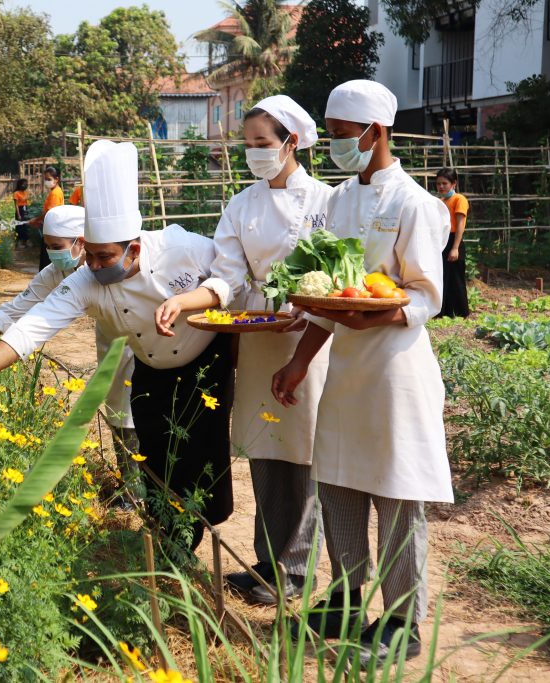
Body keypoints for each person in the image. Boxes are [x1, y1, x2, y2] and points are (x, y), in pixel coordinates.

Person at [0, 140, 235, 551]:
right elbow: (33, 325)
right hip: (150, 364)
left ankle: (190, 537)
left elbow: (229, 275)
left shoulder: (181, 248)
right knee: (153, 452)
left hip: (204, 361)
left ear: (134, 249)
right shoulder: (84, 280)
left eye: (104, 257)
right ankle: (167, 540)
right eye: (92, 257)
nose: (94, 267)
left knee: (200, 459)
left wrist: (196, 301)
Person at [271, 80, 452, 666]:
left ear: (376, 132)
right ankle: (349, 599)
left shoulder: (416, 205)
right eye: (329, 134)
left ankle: (403, 621)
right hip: (346, 367)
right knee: (341, 485)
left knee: (397, 494)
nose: (332, 146)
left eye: (342, 134)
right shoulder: (339, 201)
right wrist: (300, 361)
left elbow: (427, 297)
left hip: (396, 370)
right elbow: (330, 292)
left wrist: (377, 311)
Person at [154, 95, 331, 605]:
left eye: (262, 143)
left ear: (290, 143)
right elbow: (226, 279)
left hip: (309, 337)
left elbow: (339, 278)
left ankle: (295, 571)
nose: (253, 152)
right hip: (255, 337)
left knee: (303, 451)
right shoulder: (242, 204)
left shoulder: (326, 201)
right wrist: (186, 301)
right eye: (248, 143)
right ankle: (267, 563)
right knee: (262, 446)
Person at [0, 204, 136, 463]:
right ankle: (132, 482)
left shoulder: (111, 265)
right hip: (110, 332)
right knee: (118, 402)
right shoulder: (56, 272)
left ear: (81, 242)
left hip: (142, 324)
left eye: (57, 246)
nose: (51, 253)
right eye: (47, 246)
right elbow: (15, 312)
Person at [435, 168, 470, 318]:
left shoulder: (459, 199)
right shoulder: (441, 201)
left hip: (454, 240)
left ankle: (462, 312)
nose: (441, 186)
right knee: (443, 277)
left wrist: (455, 248)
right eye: (438, 184)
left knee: (456, 278)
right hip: (442, 241)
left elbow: (460, 224)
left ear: (454, 183)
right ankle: (445, 312)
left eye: (445, 183)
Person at [31, 166, 64, 269]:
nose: (46, 181)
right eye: (45, 179)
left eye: (49, 179)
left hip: (52, 231)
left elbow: (49, 213)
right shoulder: (56, 191)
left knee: (46, 262)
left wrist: (36, 220)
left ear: (56, 179)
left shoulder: (55, 193)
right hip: (54, 229)